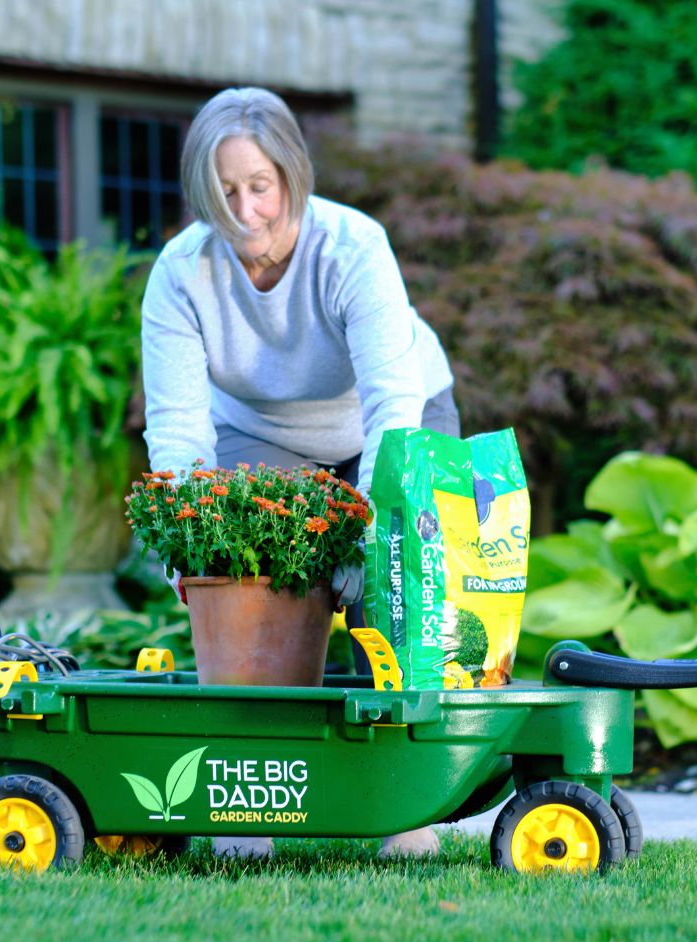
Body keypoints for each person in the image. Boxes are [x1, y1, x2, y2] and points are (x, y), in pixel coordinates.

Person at [140, 86, 460, 861]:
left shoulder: (352, 248)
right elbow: (181, 429)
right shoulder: (181, 274)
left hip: (397, 416)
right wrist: (187, 544)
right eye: (225, 192)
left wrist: (368, 536)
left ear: (292, 176)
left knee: (394, 582)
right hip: (262, 435)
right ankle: (256, 799)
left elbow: (391, 403)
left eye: (261, 186)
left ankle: (400, 804)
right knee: (254, 585)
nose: (246, 210)